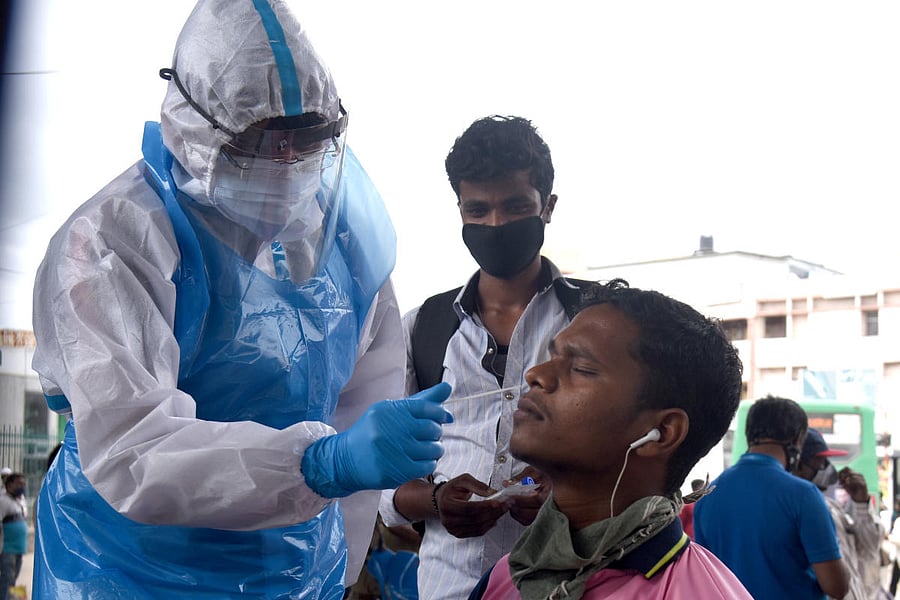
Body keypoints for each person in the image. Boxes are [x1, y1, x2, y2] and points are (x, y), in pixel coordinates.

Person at [30, 1, 453, 597]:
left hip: (300, 572)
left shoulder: (347, 241)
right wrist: (320, 465)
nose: (286, 167)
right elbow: (134, 450)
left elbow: (363, 402)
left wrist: (345, 561)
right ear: (197, 128)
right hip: (126, 572)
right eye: (261, 144)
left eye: (305, 143)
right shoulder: (113, 241)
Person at [378, 115, 590, 600]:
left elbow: (632, 455)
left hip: (572, 584)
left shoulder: (594, 322)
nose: (495, 225)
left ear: (548, 207)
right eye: (478, 210)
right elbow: (386, 485)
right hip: (446, 586)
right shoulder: (422, 328)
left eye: (515, 206)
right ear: (460, 211)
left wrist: (560, 490)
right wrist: (436, 500)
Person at [468, 279, 752, 599]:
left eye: (582, 368)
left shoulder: (697, 592)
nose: (536, 375)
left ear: (661, 433)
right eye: (552, 357)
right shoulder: (508, 577)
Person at [694, 396, 850, 599]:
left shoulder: (708, 495)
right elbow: (837, 587)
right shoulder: (803, 495)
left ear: (749, 436)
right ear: (797, 440)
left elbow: (705, 579)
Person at [795, 428, 885, 600]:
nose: (828, 468)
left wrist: (860, 504)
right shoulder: (799, 510)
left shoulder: (831, 507)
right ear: (799, 465)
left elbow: (869, 548)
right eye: (820, 462)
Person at [0, 473, 26, 600]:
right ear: (10, 485)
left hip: (18, 549)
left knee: (13, 580)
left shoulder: (17, 501)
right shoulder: (3, 501)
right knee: (7, 579)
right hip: (7, 549)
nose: (23, 487)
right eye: (19, 484)